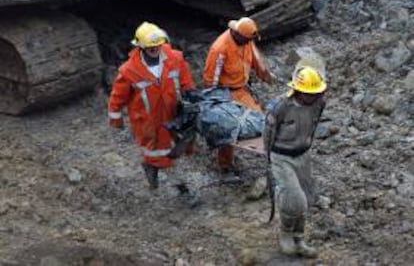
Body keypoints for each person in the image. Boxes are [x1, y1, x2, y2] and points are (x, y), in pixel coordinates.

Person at [108, 21, 199, 207]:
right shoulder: (129, 71)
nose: (155, 49)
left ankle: (151, 166)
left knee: (176, 149)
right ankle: (183, 191)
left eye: (158, 45)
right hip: (149, 122)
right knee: (165, 156)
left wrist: (192, 99)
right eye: (151, 47)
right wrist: (115, 117)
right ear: (140, 47)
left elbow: (186, 83)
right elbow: (118, 96)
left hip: (174, 116)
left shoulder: (175, 58)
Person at [263, 66, 327, 257]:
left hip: (303, 155)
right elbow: (267, 135)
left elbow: (314, 125)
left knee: (306, 199)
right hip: (282, 156)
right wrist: (270, 160)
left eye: (316, 93)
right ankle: (285, 233)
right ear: (298, 91)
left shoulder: (319, 102)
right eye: (309, 94)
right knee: (294, 200)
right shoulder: (281, 107)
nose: (313, 97)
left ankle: (299, 238)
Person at [203, 17, 276, 173]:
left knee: (259, 122)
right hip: (225, 94)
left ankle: (271, 157)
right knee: (227, 130)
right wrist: (216, 104)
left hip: (242, 89)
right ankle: (225, 165)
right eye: (247, 39)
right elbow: (210, 80)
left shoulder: (246, 41)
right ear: (237, 34)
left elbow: (255, 59)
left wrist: (265, 74)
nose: (249, 42)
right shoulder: (219, 49)